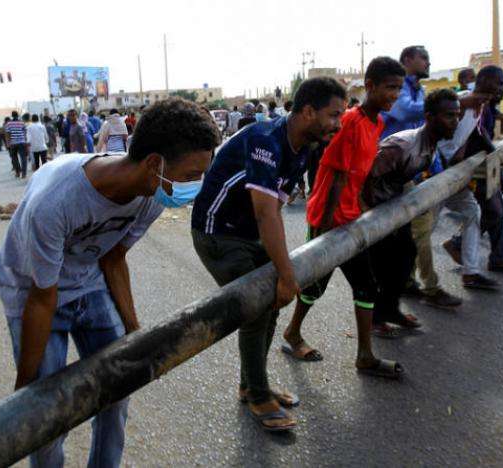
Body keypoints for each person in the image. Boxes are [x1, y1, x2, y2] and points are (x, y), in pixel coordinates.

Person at [0, 98, 220, 467]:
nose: (196, 185)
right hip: (33, 289)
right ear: (154, 164)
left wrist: (134, 333)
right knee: (45, 416)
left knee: (118, 387)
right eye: (192, 175)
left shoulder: (152, 194)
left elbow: (113, 258)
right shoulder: (56, 203)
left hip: (89, 280)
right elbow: (42, 298)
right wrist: (25, 391)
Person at [191, 77, 347, 432]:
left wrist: (282, 272)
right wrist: (287, 275)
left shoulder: (304, 145)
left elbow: (274, 207)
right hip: (216, 234)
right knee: (256, 310)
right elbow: (266, 213)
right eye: (334, 115)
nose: (338, 123)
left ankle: (252, 384)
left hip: (248, 234)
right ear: (308, 112)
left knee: (273, 302)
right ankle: (258, 394)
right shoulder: (266, 140)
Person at [282, 57, 408, 377]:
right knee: (314, 285)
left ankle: (365, 356)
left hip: (351, 217)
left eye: (399, 88)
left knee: (366, 286)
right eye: (390, 87)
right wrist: (325, 228)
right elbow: (337, 175)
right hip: (328, 217)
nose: (395, 95)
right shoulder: (349, 121)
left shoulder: (376, 124)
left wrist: (365, 209)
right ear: (370, 86)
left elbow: (361, 174)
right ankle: (292, 333)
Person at [361, 90, 468, 340]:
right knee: (383, 265)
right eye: (449, 116)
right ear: (429, 117)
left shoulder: (430, 145)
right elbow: (364, 179)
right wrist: (372, 221)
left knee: (406, 256)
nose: (455, 121)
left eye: (458, 115)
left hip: (393, 205)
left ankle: (391, 310)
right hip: (373, 209)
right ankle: (376, 320)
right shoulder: (402, 145)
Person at [445, 65, 503, 274]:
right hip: (474, 165)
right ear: (485, 81)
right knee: (495, 210)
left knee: (496, 204)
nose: (502, 88)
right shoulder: (469, 100)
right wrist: (496, 154)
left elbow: (486, 125)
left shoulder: (485, 103)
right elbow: (476, 134)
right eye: (500, 83)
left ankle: (494, 255)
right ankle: (469, 250)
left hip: (483, 162)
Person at [380, 45, 430, 138]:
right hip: (390, 145)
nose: (429, 63)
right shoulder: (392, 85)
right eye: (424, 58)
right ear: (408, 61)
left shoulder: (420, 90)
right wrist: (439, 105)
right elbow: (405, 112)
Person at [5, 111, 29, 179]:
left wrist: (8, 143)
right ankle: (24, 174)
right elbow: (25, 133)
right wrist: (26, 141)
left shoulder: (8, 124)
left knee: (14, 158)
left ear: (12, 116)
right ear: (18, 115)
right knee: (23, 158)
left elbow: (7, 134)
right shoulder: (22, 123)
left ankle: (18, 173)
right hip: (22, 142)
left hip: (13, 143)